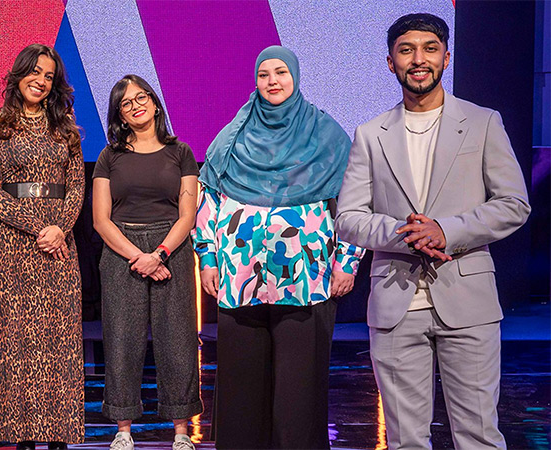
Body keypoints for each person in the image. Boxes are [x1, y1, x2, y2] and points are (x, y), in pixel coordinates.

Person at [335, 13, 531, 449]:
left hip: (468, 301)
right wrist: (407, 234)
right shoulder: (370, 134)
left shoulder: (482, 122)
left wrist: (446, 230)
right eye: (406, 51)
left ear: (446, 56)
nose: (417, 59)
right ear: (390, 62)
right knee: (405, 440)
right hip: (395, 304)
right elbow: (348, 216)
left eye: (428, 48)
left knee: (478, 435)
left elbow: (514, 204)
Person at [194, 45, 366, 449]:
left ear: (296, 76)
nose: (272, 81)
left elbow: (356, 202)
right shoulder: (235, 134)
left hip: (307, 279)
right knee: (242, 386)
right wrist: (207, 257)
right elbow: (208, 200)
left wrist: (348, 260)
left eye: (281, 73)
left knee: (298, 388)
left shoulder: (325, 133)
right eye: (264, 75)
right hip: (240, 276)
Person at [0, 43, 85, 450]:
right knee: (15, 341)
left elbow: (76, 187)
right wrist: (40, 226)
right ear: (18, 75)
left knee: (58, 341)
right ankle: (18, 435)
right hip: (12, 248)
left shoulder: (66, 128)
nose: (40, 80)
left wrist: (60, 228)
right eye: (34, 72)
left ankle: (58, 435)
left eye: (48, 76)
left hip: (58, 248)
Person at [92, 75, 202, 450]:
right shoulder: (109, 157)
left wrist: (159, 254)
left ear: (155, 104)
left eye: (142, 97)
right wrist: (138, 256)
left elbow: (187, 215)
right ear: (120, 116)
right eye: (126, 103)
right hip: (123, 250)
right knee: (123, 340)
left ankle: (181, 432)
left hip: (171, 247)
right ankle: (123, 430)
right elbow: (100, 219)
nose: (136, 105)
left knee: (178, 341)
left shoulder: (181, 152)